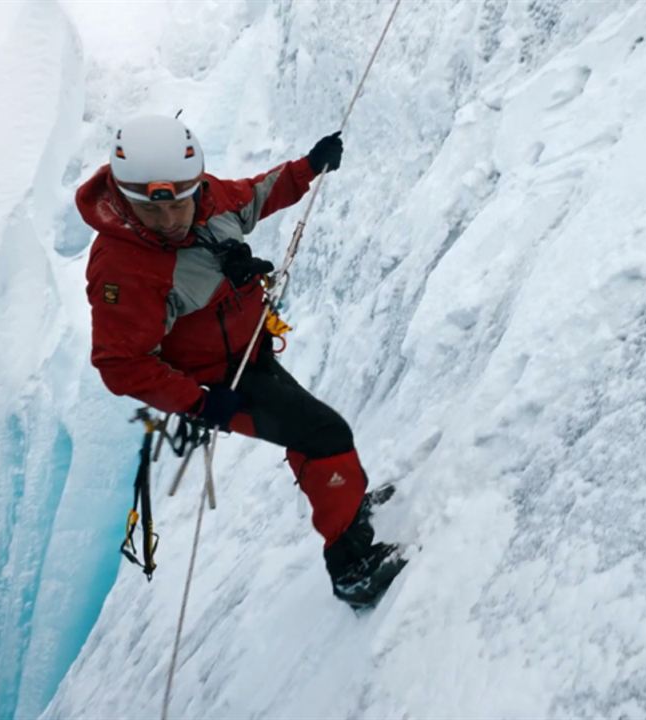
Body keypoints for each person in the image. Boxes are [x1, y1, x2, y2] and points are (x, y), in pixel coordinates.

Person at [75, 115, 403, 609]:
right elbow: (120, 364)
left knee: (310, 433)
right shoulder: (123, 271)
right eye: (152, 210)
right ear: (126, 200)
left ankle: (348, 509)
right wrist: (203, 405)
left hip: (249, 353)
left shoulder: (208, 199)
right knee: (325, 435)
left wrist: (308, 168)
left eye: (179, 203)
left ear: (195, 185)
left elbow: (254, 196)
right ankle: (351, 567)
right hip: (219, 385)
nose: (170, 220)